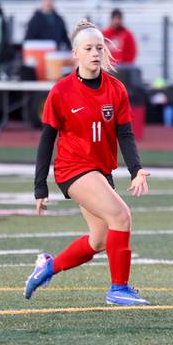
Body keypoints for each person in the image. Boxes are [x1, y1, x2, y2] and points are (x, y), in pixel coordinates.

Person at [24, 19, 151, 306]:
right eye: (88, 48)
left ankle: (48, 267)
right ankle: (118, 288)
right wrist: (39, 187)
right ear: (76, 54)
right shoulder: (61, 91)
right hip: (73, 168)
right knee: (122, 215)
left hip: (101, 170)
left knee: (99, 240)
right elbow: (46, 140)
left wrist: (136, 169)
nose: (95, 53)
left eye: (99, 47)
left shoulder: (116, 89)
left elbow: (125, 134)